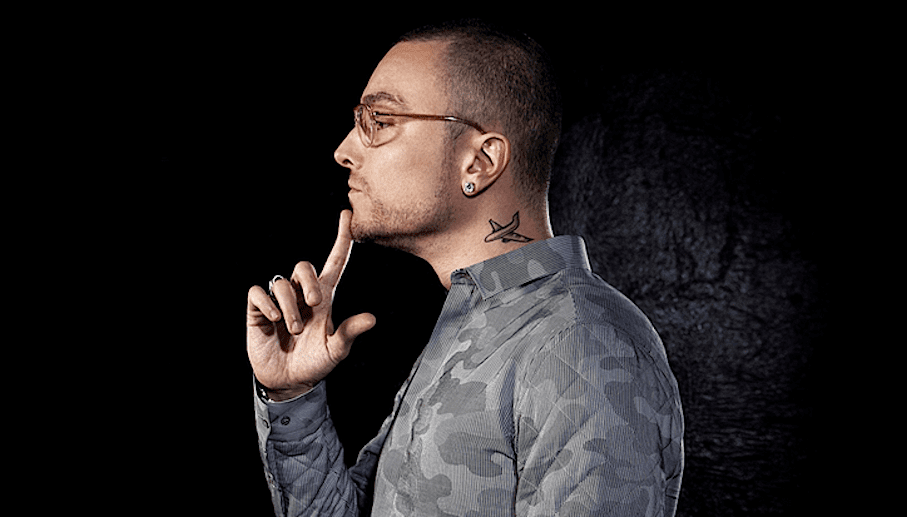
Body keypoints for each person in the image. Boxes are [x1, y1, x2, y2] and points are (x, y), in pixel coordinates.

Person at [246, 20, 684, 517]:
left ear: (479, 161)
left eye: (380, 121)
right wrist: (293, 395)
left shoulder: (580, 343)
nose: (344, 151)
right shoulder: (474, 323)